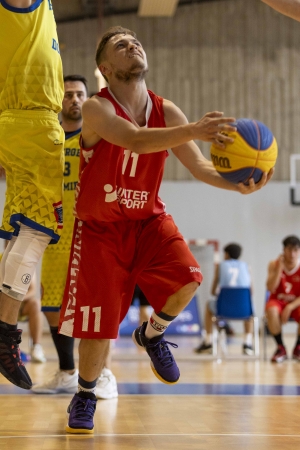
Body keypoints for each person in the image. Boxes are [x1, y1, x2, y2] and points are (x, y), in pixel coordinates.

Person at [58, 26, 273, 434]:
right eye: (121, 45)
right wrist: (194, 129)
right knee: (99, 326)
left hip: (149, 221)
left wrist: (240, 185)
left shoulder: (167, 110)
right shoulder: (96, 109)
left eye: (135, 41)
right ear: (105, 66)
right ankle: (86, 393)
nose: (133, 45)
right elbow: (134, 140)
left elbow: (200, 168)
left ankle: (152, 335)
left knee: (189, 279)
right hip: (101, 228)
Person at [31, 75, 118, 399]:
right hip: (56, 233)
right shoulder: (49, 140)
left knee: (94, 308)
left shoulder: (98, 135)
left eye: (80, 94)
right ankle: (67, 372)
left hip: (92, 231)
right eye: (68, 94)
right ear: (59, 100)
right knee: (53, 308)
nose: (75, 99)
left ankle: (104, 374)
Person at [0, 0, 64, 390]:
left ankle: (4, 333)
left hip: (22, 121)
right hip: (33, 121)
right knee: (38, 231)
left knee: (20, 232)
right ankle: (5, 335)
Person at [194, 243, 254, 356]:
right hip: (243, 310)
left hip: (223, 309)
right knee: (250, 308)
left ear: (226, 254)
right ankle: (248, 343)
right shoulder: (246, 266)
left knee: (209, 304)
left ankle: (208, 341)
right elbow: (251, 291)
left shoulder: (220, 266)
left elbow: (213, 291)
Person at [265, 235, 300, 363]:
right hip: (278, 301)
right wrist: (279, 269)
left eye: (296, 250)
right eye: (289, 250)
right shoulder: (273, 264)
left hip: (296, 303)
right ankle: (280, 347)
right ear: (283, 250)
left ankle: (298, 347)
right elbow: (270, 287)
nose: (292, 254)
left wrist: (290, 307)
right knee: (271, 310)